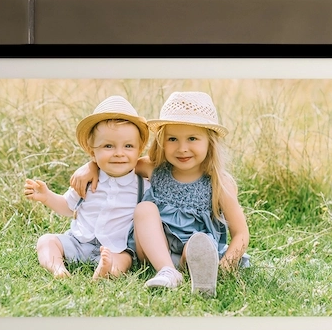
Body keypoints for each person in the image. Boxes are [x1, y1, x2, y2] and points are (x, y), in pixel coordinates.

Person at [72, 91, 249, 297]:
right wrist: (91, 166)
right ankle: (167, 271)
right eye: (172, 139)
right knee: (145, 208)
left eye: (192, 138)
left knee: (198, 243)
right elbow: (117, 162)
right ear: (162, 141)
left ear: (210, 142)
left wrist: (226, 265)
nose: (182, 148)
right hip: (152, 250)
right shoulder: (153, 168)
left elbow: (241, 234)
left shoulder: (220, 183)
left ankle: (199, 271)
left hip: (191, 253)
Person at [25, 95, 149, 280]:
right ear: (93, 152)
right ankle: (57, 267)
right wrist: (47, 196)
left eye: (128, 146)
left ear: (139, 151)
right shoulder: (88, 180)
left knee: (124, 260)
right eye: (108, 146)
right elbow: (67, 207)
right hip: (77, 241)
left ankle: (107, 271)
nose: (119, 153)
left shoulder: (142, 186)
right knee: (46, 241)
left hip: (116, 247)